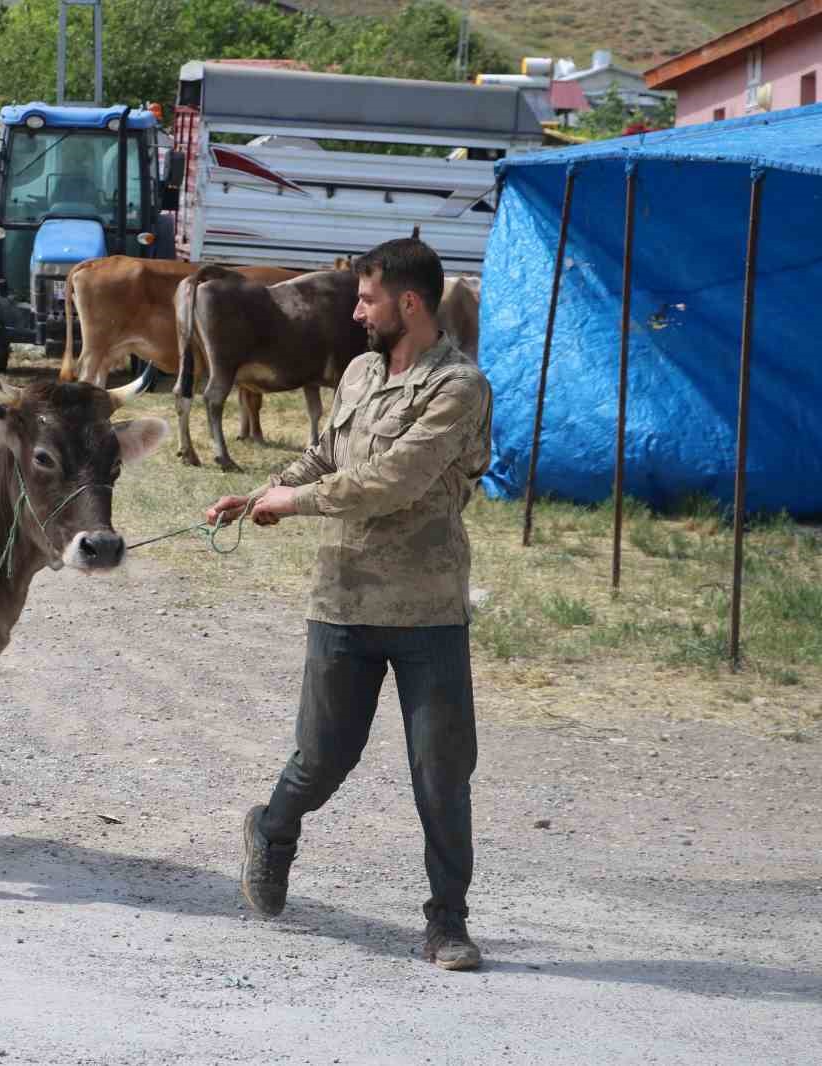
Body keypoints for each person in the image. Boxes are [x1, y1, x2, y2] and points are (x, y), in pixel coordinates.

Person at [205, 237, 494, 971]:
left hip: (426, 606)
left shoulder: (458, 387)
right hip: (342, 598)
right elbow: (328, 454)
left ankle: (447, 923)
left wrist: (294, 500)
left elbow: (394, 479)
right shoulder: (362, 371)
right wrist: (260, 494)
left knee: (441, 771)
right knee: (322, 759)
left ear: (409, 303)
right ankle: (272, 831)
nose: (356, 311)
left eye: (366, 299)